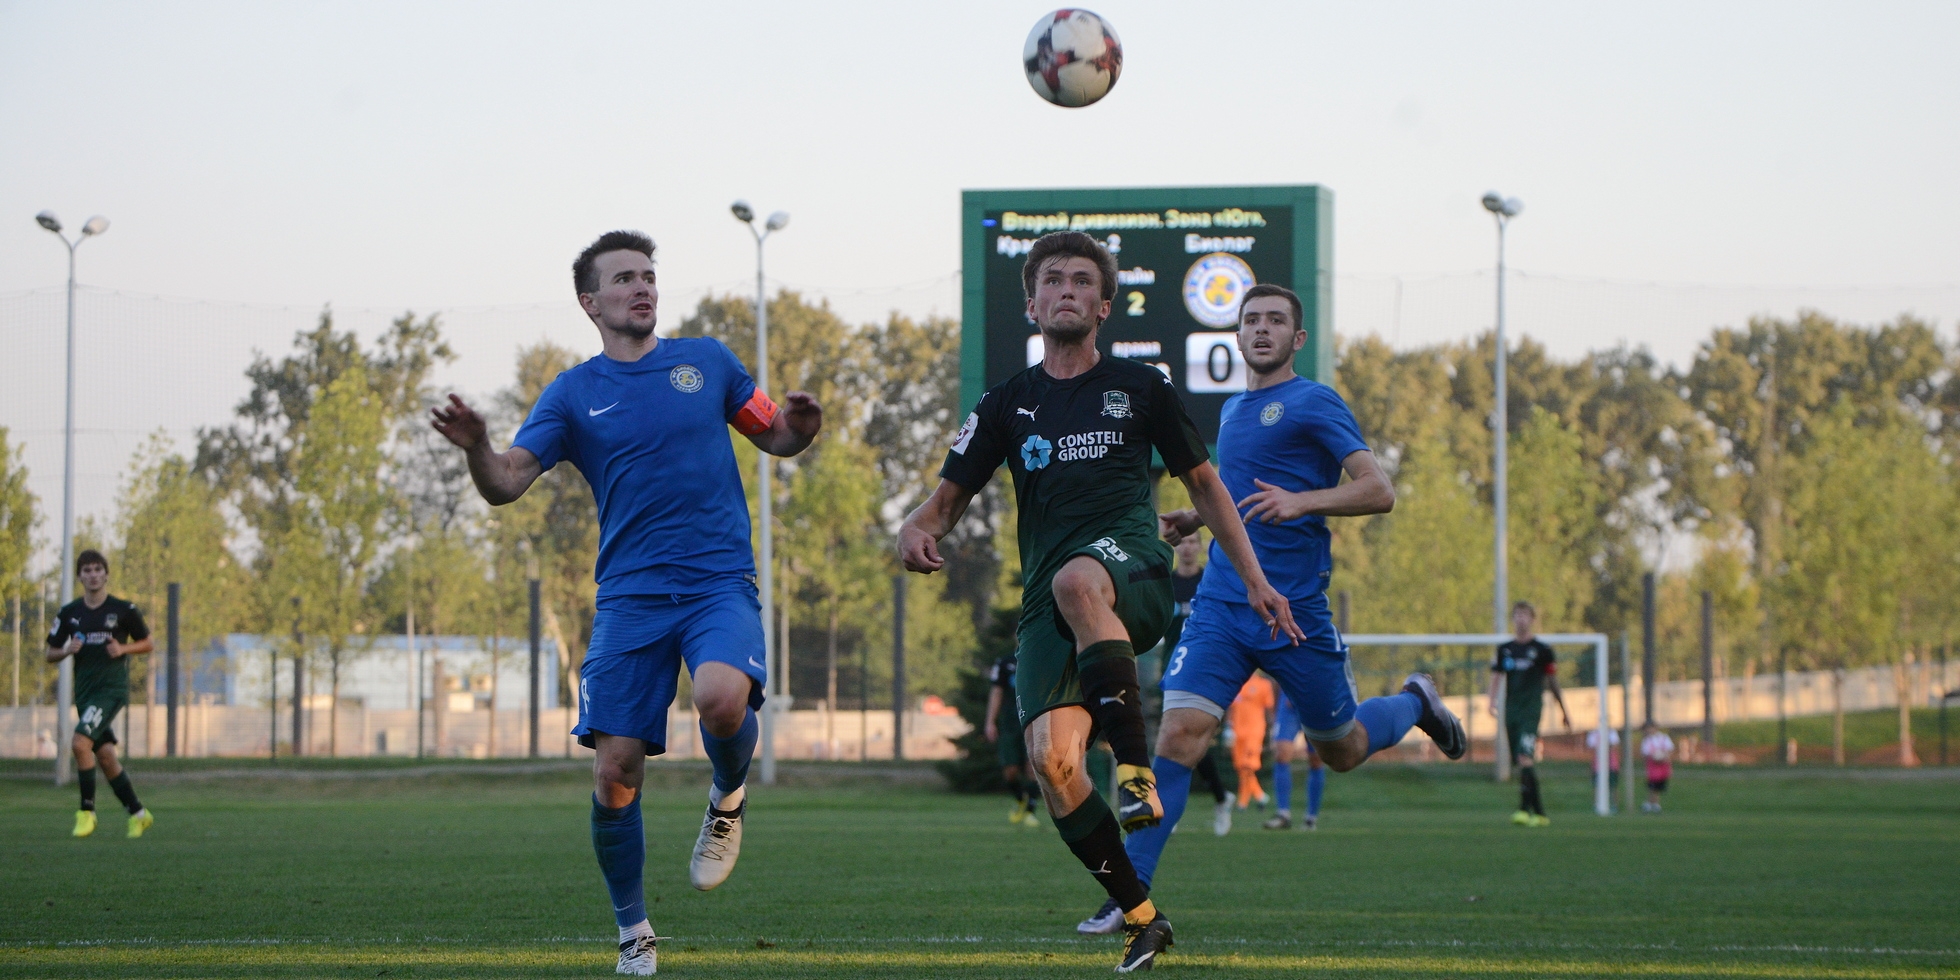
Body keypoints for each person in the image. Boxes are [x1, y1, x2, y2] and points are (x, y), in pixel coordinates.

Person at [900, 231, 1300, 973]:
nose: (1068, 291)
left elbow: (1206, 487)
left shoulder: (1143, 387)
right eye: (1054, 280)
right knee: (1052, 763)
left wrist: (1253, 578)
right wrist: (913, 530)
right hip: (1051, 604)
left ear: (1104, 305)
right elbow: (944, 504)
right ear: (1032, 303)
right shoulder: (1005, 404)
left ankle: (1137, 776)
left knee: (1077, 580)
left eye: (1084, 281)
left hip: (1133, 571)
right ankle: (1144, 919)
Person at [432, 230, 821, 976]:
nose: (641, 287)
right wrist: (478, 446)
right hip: (629, 600)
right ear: (590, 302)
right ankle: (634, 931)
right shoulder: (573, 393)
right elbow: (507, 482)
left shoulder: (708, 362)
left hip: (716, 583)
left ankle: (727, 798)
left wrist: (802, 425)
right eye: (622, 279)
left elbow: (775, 435)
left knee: (720, 699)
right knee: (615, 771)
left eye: (647, 275)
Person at [1089, 283, 1467, 938]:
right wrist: (1197, 518)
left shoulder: (1314, 400)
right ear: (1238, 336)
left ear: (1297, 338)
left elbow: (1378, 490)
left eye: (1275, 321)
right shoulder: (1234, 409)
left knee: (1343, 749)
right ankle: (1130, 892)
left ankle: (1415, 702)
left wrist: (1304, 501)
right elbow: (1239, 497)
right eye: (1252, 321)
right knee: (1178, 736)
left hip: (1294, 612)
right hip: (1222, 603)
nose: (1262, 329)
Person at [46, 549, 155, 839]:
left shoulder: (123, 610)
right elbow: (50, 653)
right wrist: (66, 650)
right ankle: (139, 814)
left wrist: (124, 648)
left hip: (111, 691)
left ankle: (86, 812)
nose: (93, 575)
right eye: (87, 570)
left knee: (80, 743)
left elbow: (148, 643)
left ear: (106, 574)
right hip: (85, 694)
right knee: (105, 756)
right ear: (79, 577)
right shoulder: (70, 613)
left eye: (98, 569)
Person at [1163, 533, 1236, 837]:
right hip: (1173, 667)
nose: (1187, 547)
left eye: (1193, 541)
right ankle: (1219, 797)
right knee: (1180, 740)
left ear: (1201, 546)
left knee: (1187, 739)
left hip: (1206, 667)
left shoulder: (1211, 580)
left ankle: (1174, 809)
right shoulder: (1165, 583)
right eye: (1183, 541)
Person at [1489, 601, 1572, 828]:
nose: (1521, 619)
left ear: (1532, 619)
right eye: (1517, 615)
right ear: (1513, 619)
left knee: (1525, 758)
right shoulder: (1505, 649)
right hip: (1511, 711)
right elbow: (1496, 675)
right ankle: (1539, 813)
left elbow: (1552, 681)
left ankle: (1524, 810)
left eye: (1525, 615)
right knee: (1521, 760)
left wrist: (1564, 710)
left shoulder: (1543, 650)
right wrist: (1491, 700)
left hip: (1531, 711)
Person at [984, 651, 1042, 826]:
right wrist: (990, 722)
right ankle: (1020, 799)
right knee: (1010, 771)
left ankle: (1030, 811)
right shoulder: (1005, 663)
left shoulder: (1039, 659)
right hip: (1010, 725)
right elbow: (996, 692)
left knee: (1032, 767)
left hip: (1033, 722)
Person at [1264, 690, 1326, 831]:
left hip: (1314, 705)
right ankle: (1283, 814)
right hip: (1289, 705)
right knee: (1281, 754)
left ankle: (1311, 818)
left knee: (1316, 760)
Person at [1227, 673, 1274, 810]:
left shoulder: (1263, 684)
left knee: (1248, 765)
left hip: (1254, 731)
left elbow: (1268, 708)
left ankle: (1243, 802)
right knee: (1240, 766)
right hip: (1237, 731)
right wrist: (1228, 727)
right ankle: (1259, 795)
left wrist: (1271, 729)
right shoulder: (1238, 682)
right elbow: (1231, 706)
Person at [1640, 721, 1675, 813]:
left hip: (1663, 765)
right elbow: (1645, 753)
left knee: (1659, 785)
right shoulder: (1647, 740)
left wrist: (1665, 757)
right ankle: (1652, 803)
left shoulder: (1663, 737)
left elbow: (1670, 749)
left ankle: (1651, 803)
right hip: (1653, 765)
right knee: (1653, 784)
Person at [1586, 724, 1621, 805]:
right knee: (1597, 785)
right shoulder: (1594, 733)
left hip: (1611, 764)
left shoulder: (1611, 732)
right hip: (1597, 765)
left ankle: (1614, 804)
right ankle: (1597, 804)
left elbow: (1614, 745)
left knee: (1613, 785)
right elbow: (1591, 747)